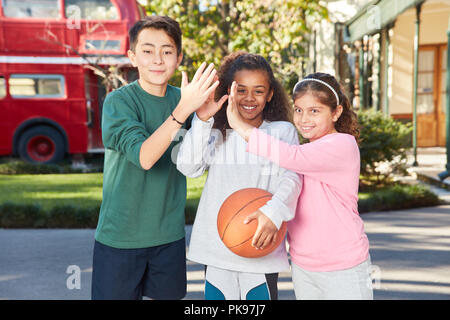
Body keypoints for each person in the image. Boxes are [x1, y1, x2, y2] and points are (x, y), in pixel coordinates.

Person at [91, 16, 220, 300]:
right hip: (120, 239)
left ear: (179, 57)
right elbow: (144, 157)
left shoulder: (187, 100)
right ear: (133, 57)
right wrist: (182, 112)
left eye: (167, 50)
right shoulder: (119, 102)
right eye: (147, 51)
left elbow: (200, 161)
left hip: (169, 238)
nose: (157, 59)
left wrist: (202, 118)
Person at [227, 72, 373, 300]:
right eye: (298, 109)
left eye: (314, 111)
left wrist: (240, 126)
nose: (304, 118)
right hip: (304, 265)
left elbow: (290, 155)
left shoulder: (342, 145)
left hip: (344, 265)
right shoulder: (307, 150)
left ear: (336, 112)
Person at [177, 52, 302, 300]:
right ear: (229, 91)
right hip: (217, 249)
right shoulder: (215, 130)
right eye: (241, 89)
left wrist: (273, 212)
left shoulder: (281, 131)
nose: (249, 98)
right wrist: (202, 120)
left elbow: (293, 178)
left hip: (259, 245)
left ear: (270, 94)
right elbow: (188, 167)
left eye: (258, 90)